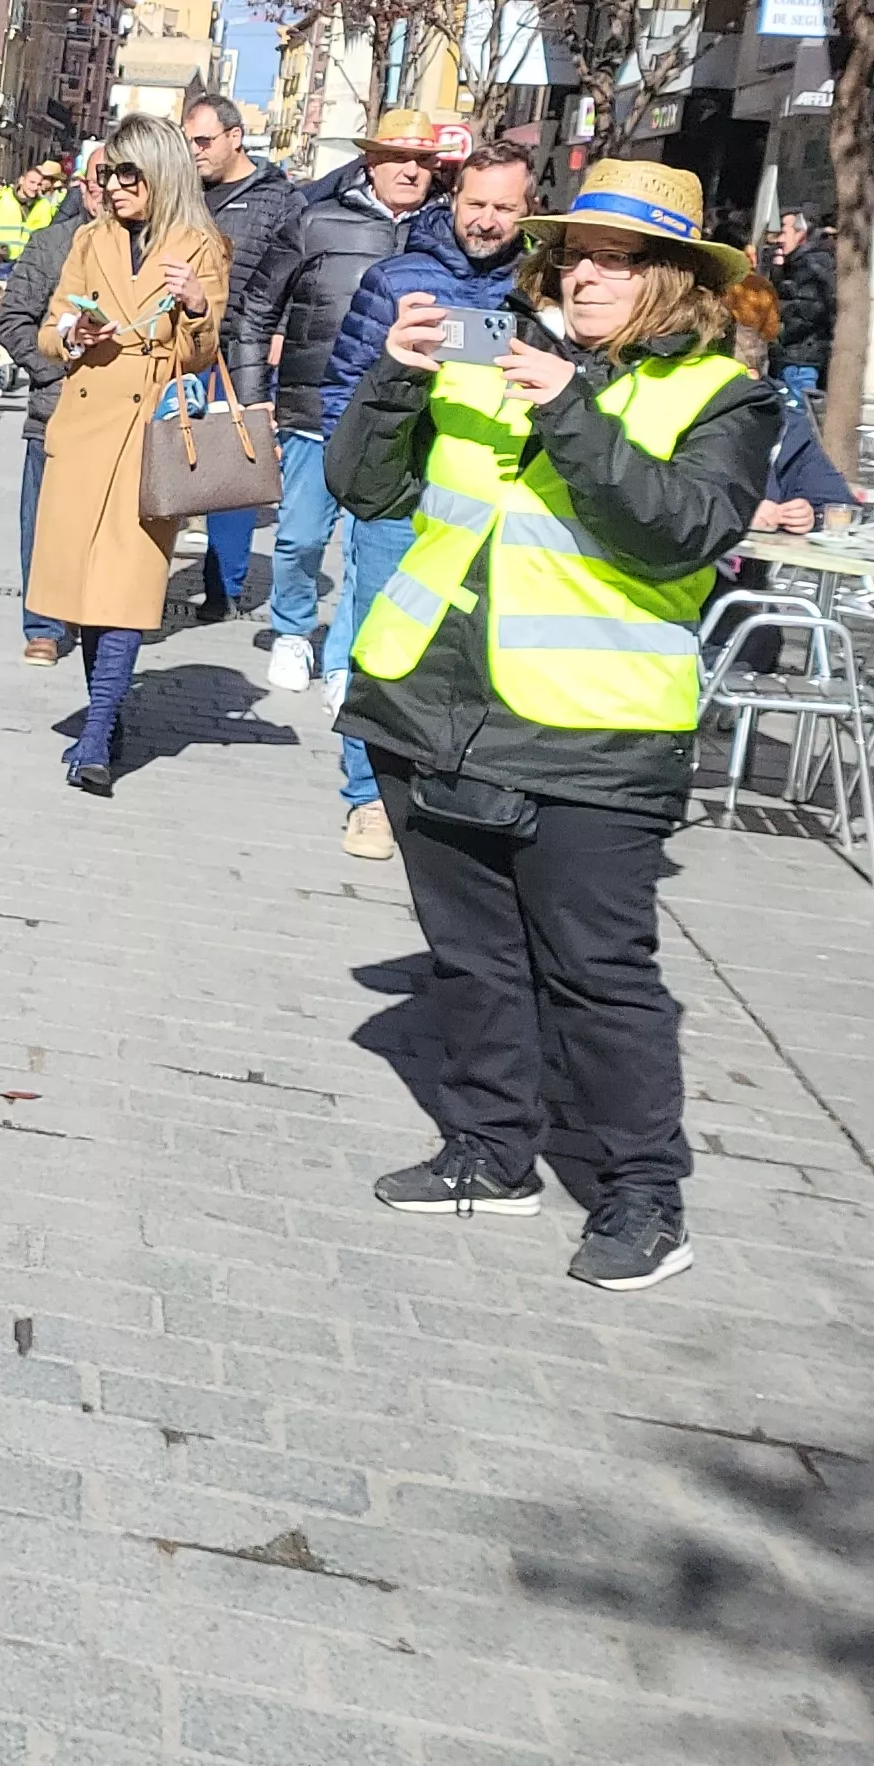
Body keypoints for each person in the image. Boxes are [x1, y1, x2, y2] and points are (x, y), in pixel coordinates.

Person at [326, 160, 777, 1291]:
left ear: (671, 282)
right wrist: (395, 380)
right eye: (574, 254)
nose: (583, 275)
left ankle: (642, 1196)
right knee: (471, 957)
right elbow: (365, 490)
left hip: (594, 734)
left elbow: (675, 531)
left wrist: (568, 407)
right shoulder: (492, 356)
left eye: (615, 261)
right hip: (429, 704)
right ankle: (489, 1150)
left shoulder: (719, 396)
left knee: (597, 974)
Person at [312, 139, 535, 861]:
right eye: (475, 204)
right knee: (384, 643)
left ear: (527, 210)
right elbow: (347, 382)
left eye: (504, 207)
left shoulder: (540, 285)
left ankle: (456, 788)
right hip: (403, 497)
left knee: (476, 653)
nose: (486, 220)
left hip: (496, 501)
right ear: (452, 199)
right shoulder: (397, 277)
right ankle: (368, 797)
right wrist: (358, 472)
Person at [26, 115, 226, 794]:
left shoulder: (198, 245)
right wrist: (74, 331)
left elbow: (202, 353)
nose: (112, 186)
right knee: (84, 590)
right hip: (84, 424)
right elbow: (51, 332)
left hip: (149, 431)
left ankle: (94, 738)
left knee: (129, 586)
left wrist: (195, 307)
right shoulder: (89, 239)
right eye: (107, 173)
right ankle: (104, 723)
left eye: (126, 173)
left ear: (159, 172)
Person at [241, 108, 440, 692]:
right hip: (313, 410)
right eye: (399, 158)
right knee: (300, 536)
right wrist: (255, 401)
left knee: (369, 549)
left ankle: (345, 663)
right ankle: (293, 633)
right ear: (370, 161)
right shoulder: (315, 221)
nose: (411, 170)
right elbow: (256, 310)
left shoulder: (445, 234)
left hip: (401, 420)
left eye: (423, 161)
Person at [183, 94, 303, 624]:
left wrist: (278, 332)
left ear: (236, 137)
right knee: (168, 460)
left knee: (230, 473)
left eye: (204, 141)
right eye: (189, 142)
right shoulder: (184, 195)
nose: (195, 152)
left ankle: (223, 586)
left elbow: (296, 275)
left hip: (240, 352)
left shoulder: (280, 200)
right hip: (182, 345)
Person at [708, 274, 860, 672]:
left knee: (759, 634)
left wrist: (812, 513)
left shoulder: (784, 425)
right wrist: (739, 509)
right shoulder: (673, 416)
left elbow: (836, 502)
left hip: (740, 612)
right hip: (677, 601)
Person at [0, 149, 98, 665]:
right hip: (55, 409)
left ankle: (90, 611)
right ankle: (43, 624)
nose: (111, 189)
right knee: (41, 520)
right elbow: (13, 321)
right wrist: (54, 370)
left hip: (120, 416)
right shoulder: (53, 244)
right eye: (101, 176)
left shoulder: (152, 249)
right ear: (84, 185)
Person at [767, 209, 834, 399]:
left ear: (801, 234)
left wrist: (771, 322)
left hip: (801, 361)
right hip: (788, 358)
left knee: (797, 417)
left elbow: (805, 314)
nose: (779, 239)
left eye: (783, 232)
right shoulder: (794, 264)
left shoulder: (812, 266)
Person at [0, 161, 61, 258]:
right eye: (32, 182)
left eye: (38, 184)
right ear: (22, 180)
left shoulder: (44, 205)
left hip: (25, 262)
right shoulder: (2, 199)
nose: (34, 187)